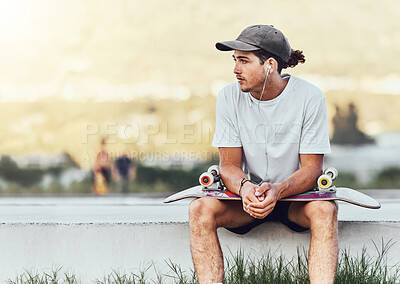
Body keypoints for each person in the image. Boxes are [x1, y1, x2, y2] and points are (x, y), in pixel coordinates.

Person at [189, 25, 338, 283]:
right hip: (247, 202)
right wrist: (246, 188)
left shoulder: (309, 97)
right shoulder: (228, 96)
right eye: (235, 60)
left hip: (296, 200)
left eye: (244, 61)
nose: (236, 69)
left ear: (270, 64)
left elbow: (312, 169)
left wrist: (278, 190)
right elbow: (229, 165)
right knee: (200, 209)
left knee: (325, 211)